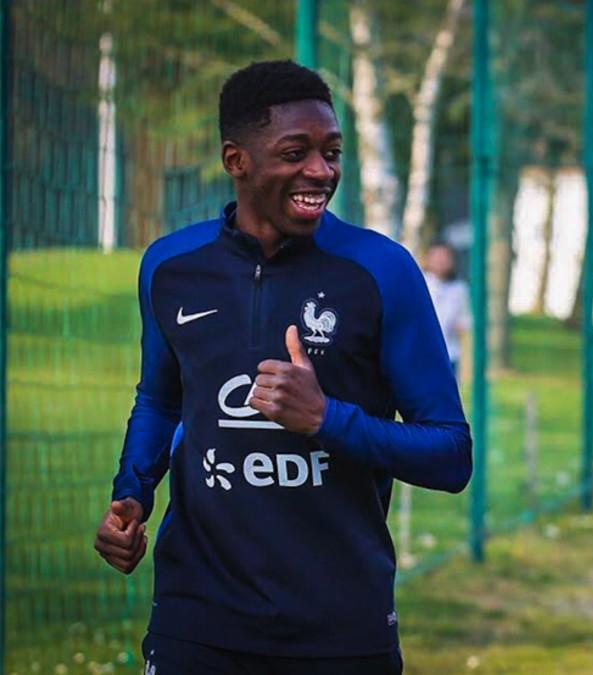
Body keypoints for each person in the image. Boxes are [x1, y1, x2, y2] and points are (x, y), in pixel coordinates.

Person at [92, 60, 471, 674]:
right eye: (296, 153)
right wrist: (131, 492)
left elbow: (451, 455)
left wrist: (325, 418)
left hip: (340, 625)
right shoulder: (170, 266)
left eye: (332, 152)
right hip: (196, 618)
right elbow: (161, 399)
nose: (321, 171)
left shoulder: (381, 271)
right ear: (236, 160)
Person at [422, 242, 471, 376]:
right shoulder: (419, 283)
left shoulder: (459, 289)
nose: (440, 261)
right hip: (421, 353)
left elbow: (464, 320)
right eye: (436, 256)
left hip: (449, 354)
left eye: (444, 257)